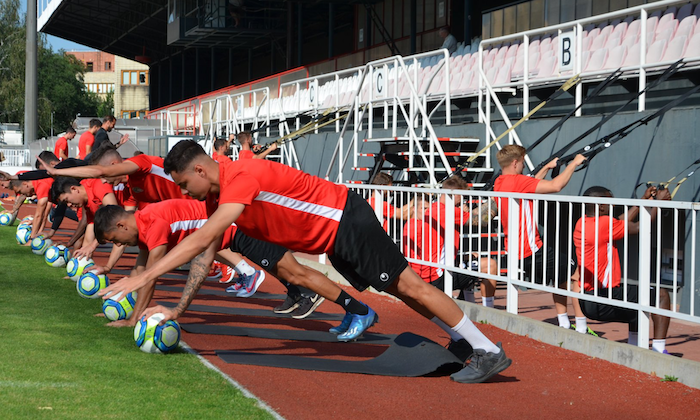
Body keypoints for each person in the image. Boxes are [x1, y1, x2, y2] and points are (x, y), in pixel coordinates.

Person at [101, 140, 512, 383]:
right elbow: (204, 256)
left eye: (185, 183)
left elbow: (206, 237)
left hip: (347, 222)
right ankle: (464, 340)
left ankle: (487, 349)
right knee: (401, 291)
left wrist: (145, 276)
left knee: (410, 286)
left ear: (199, 168)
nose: (185, 193)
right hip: (337, 235)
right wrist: (176, 308)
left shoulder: (241, 177)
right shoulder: (215, 193)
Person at [93, 201, 329, 326]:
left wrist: (133, 319)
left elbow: (150, 276)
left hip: (238, 229)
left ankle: (351, 307)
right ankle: (299, 291)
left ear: (122, 226)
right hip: (222, 236)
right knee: (277, 265)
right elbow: (140, 270)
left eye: (116, 240)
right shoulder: (142, 225)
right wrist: (123, 306)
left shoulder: (153, 225)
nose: (120, 245)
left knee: (289, 268)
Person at [494, 145, 596, 335]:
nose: (524, 166)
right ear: (515, 163)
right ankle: (581, 327)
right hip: (531, 249)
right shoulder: (518, 182)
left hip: (517, 248)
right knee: (576, 274)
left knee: (560, 276)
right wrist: (574, 164)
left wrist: (547, 167)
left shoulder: (501, 181)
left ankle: (564, 323)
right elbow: (555, 186)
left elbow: (529, 184)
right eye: (523, 162)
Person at [573, 185, 672, 353]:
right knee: (661, 296)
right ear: (601, 206)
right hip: (602, 300)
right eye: (612, 202)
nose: (615, 205)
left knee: (636, 294)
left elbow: (619, 222)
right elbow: (641, 227)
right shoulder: (604, 224)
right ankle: (659, 350)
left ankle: (634, 346)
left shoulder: (583, 221)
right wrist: (659, 203)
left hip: (587, 300)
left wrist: (643, 200)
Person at [404, 175, 499, 307]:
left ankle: (468, 303)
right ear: (454, 195)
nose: (463, 202)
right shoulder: (447, 211)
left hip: (429, 270)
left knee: (473, 257)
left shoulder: (436, 208)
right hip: (437, 276)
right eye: (461, 198)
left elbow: (472, 215)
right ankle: (489, 311)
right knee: (490, 265)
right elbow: (481, 220)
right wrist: (497, 199)